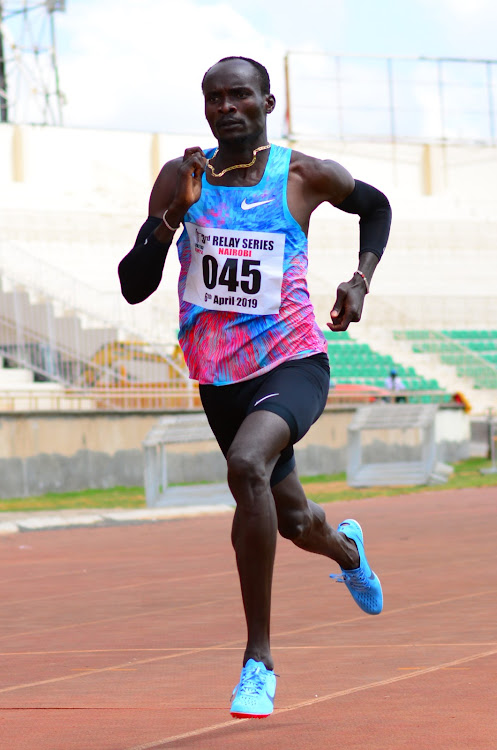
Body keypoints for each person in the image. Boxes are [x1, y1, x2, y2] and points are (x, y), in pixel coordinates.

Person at [118, 56, 392, 720]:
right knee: (294, 519)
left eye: (239, 95)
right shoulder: (180, 178)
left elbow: (376, 206)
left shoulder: (302, 175)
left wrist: (360, 279)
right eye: (214, 98)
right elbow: (132, 284)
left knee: (246, 465)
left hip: (293, 362)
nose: (226, 107)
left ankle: (257, 662)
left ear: (268, 103)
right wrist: (169, 220)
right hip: (220, 378)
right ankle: (346, 549)